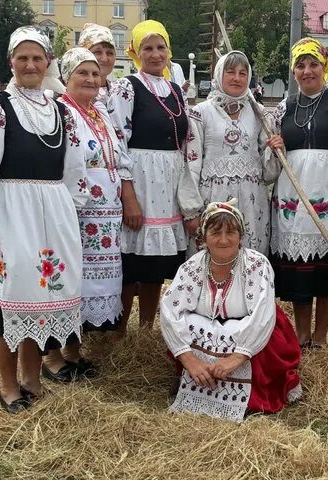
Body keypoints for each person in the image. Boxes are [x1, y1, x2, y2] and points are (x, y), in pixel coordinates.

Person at [0, 26, 88, 413]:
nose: (30, 64)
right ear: (11, 62)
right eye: (22, 58)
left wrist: (68, 217)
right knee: (6, 301)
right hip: (9, 213)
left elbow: (75, 172)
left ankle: (32, 378)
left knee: (42, 299)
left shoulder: (62, 110)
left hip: (53, 213)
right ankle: (9, 387)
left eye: (37, 58)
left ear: (48, 62)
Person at [160, 199, 302, 422]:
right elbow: (170, 311)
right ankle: (195, 380)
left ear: (241, 235)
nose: (224, 240)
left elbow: (262, 316)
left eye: (231, 232)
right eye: (216, 233)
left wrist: (236, 358)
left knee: (266, 336)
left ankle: (253, 399)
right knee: (190, 326)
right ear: (203, 238)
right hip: (208, 328)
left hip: (251, 330)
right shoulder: (192, 267)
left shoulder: (257, 264)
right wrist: (190, 361)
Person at [40, 48, 130, 383]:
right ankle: (50, 357)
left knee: (84, 288)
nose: (91, 79)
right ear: (66, 77)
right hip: (73, 214)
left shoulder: (100, 112)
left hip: (103, 219)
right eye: (83, 73)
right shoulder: (60, 112)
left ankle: (73, 352)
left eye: (95, 74)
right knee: (63, 281)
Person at [108, 20, 202, 334]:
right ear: (135, 52)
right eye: (147, 48)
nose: (155, 54)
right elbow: (118, 141)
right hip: (141, 180)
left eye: (160, 47)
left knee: (154, 269)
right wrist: (129, 197)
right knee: (131, 265)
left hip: (169, 184)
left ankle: (146, 331)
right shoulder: (128, 86)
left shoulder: (175, 89)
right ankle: (118, 331)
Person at [270, 38, 328, 348]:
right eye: (301, 65)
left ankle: (321, 336)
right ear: (294, 71)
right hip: (295, 194)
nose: (307, 70)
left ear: (324, 66)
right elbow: (275, 154)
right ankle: (301, 334)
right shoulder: (285, 107)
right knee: (300, 266)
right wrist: (276, 148)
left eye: (313, 64)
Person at [186, 51, 280, 254]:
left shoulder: (260, 114)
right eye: (230, 72)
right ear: (219, 74)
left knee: (248, 260)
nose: (237, 78)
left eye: (242, 73)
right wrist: (191, 211)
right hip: (213, 200)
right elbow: (191, 163)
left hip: (251, 201)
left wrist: (275, 150)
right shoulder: (201, 113)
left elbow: (269, 174)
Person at [77, 23, 118, 98]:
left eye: (110, 53)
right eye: (98, 52)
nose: (104, 59)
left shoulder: (120, 92)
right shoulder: (69, 94)